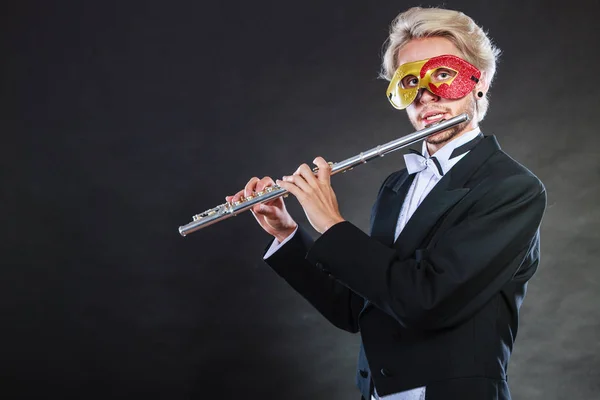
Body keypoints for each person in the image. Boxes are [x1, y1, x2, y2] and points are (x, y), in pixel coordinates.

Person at [226, 7, 546, 400]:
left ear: (478, 82)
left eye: (442, 75)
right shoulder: (397, 185)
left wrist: (331, 222)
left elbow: (425, 302)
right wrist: (288, 233)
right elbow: (356, 306)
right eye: (411, 81)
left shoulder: (512, 188)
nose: (426, 95)